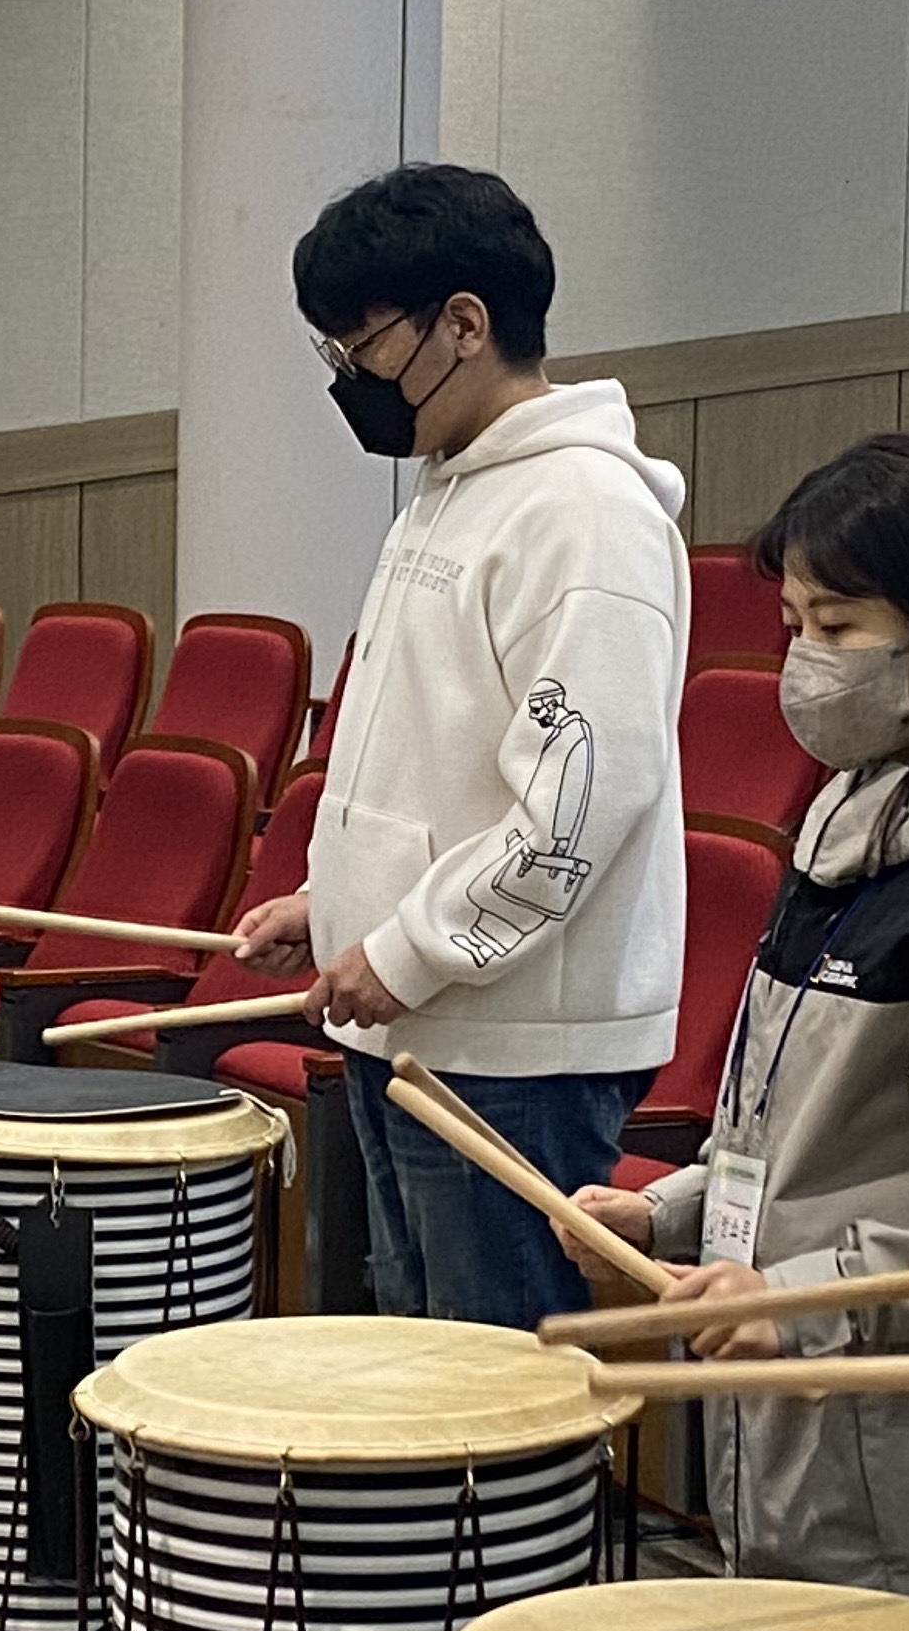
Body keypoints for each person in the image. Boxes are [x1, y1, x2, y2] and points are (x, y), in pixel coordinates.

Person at [558, 434, 909, 1626]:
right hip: (795, 1444)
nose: (804, 660)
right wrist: (668, 1215)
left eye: (837, 626)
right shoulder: (844, 836)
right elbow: (788, 1137)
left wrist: (795, 1296)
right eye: (793, 625)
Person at [230, 164, 689, 1331]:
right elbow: (429, 752)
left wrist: (410, 945)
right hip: (423, 1017)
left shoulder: (586, 513)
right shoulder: (449, 488)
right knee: (419, 1364)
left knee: (491, 1380)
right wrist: (336, 903)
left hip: (514, 1050)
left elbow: (577, 807)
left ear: (465, 325)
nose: (351, 379)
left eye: (363, 346)